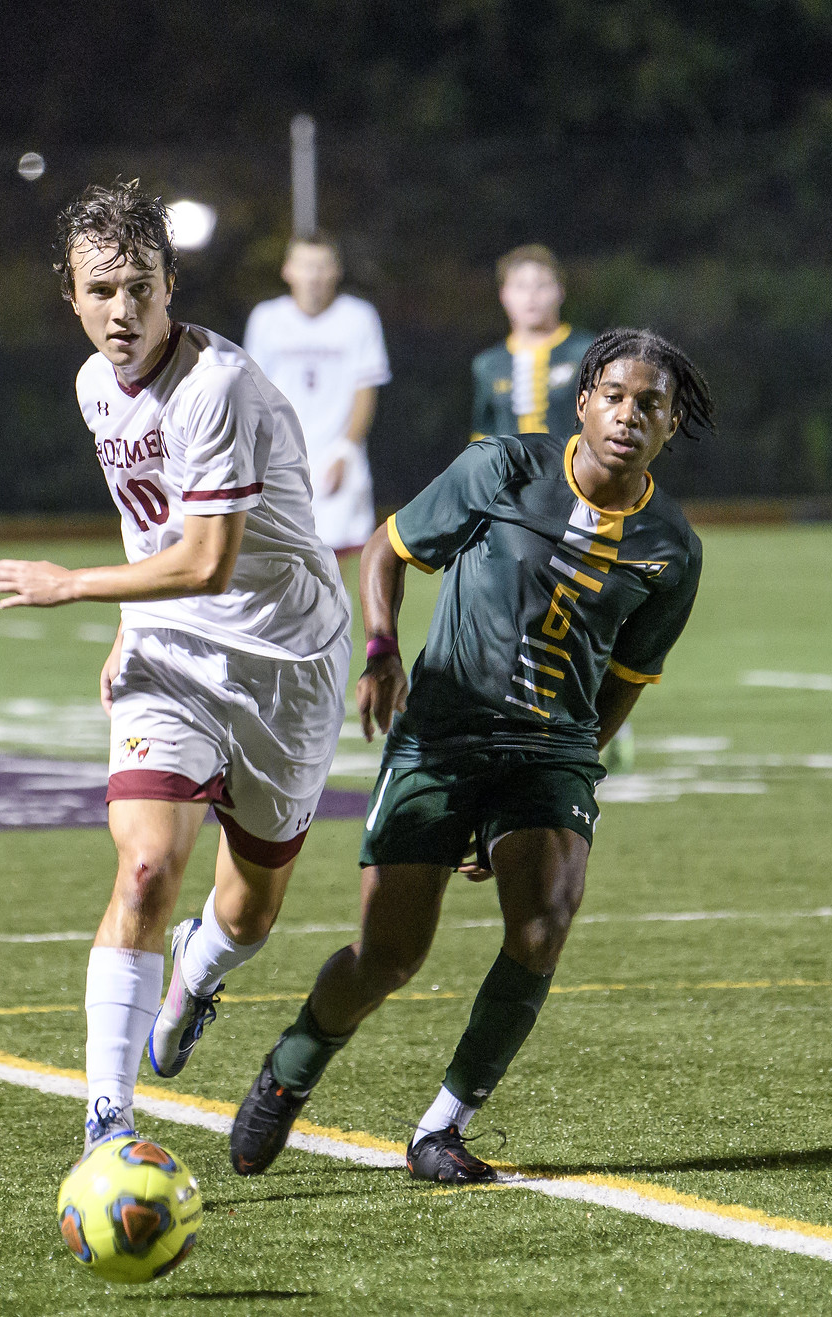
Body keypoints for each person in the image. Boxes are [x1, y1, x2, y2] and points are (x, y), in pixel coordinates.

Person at [227, 327, 714, 1184]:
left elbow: (630, 675)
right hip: (444, 734)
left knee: (542, 924)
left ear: (672, 426)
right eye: (617, 396)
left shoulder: (672, 547)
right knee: (390, 955)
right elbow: (387, 548)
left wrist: (566, 771)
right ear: (584, 400)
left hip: (549, 752)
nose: (631, 415)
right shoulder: (503, 470)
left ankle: (440, 1130)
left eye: (652, 405)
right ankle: (290, 1068)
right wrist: (381, 650)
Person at [0, 181, 352, 1152]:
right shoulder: (91, 383)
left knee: (250, 910)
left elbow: (207, 559)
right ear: (69, 295)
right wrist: (125, 627)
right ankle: (108, 1122)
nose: (120, 310)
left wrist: (76, 590)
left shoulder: (216, 386)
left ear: (168, 285)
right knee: (144, 869)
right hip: (174, 651)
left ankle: (198, 974)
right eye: (98, 289)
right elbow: (152, 524)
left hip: (285, 661)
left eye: (138, 286)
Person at [242, 232, 392, 557]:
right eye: (306, 266)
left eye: (322, 266)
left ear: (336, 271)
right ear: (288, 270)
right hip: (280, 457)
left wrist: (345, 452)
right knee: (280, 557)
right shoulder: (266, 318)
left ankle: (340, 612)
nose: (314, 276)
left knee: (334, 561)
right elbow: (255, 392)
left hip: (335, 458)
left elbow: (365, 391)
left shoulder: (359, 317)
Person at [470, 245, 595, 443]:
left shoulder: (587, 351)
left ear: (560, 291)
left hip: (574, 471)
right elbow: (483, 433)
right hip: (510, 473)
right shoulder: (488, 364)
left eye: (542, 285)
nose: (531, 296)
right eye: (520, 286)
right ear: (504, 295)